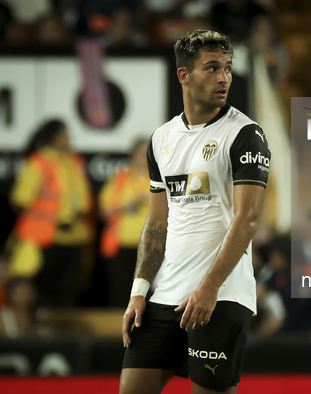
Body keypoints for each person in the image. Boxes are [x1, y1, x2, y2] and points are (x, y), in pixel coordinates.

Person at [119, 30, 271, 394]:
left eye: (228, 69)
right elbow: (157, 223)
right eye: (212, 68)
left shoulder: (246, 134)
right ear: (183, 75)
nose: (223, 78)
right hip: (166, 297)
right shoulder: (161, 139)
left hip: (220, 297)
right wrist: (139, 291)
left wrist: (209, 288)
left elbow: (247, 219)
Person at [9, 119, 93, 307]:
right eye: (65, 134)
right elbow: (19, 201)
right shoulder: (38, 162)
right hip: (46, 236)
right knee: (44, 287)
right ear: (55, 137)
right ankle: (42, 331)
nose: (69, 138)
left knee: (69, 288)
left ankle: (65, 331)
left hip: (74, 235)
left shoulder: (74, 162)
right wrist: (42, 219)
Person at [99, 139, 150, 307]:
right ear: (132, 155)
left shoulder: (160, 179)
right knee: (120, 289)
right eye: (140, 154)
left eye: (147, 153)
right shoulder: (120, 179)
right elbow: (104, 211)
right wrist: (130, 202)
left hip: (151, 246)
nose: (144, 158)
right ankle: (117, 329)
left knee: (147, 291)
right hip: (121, 244)